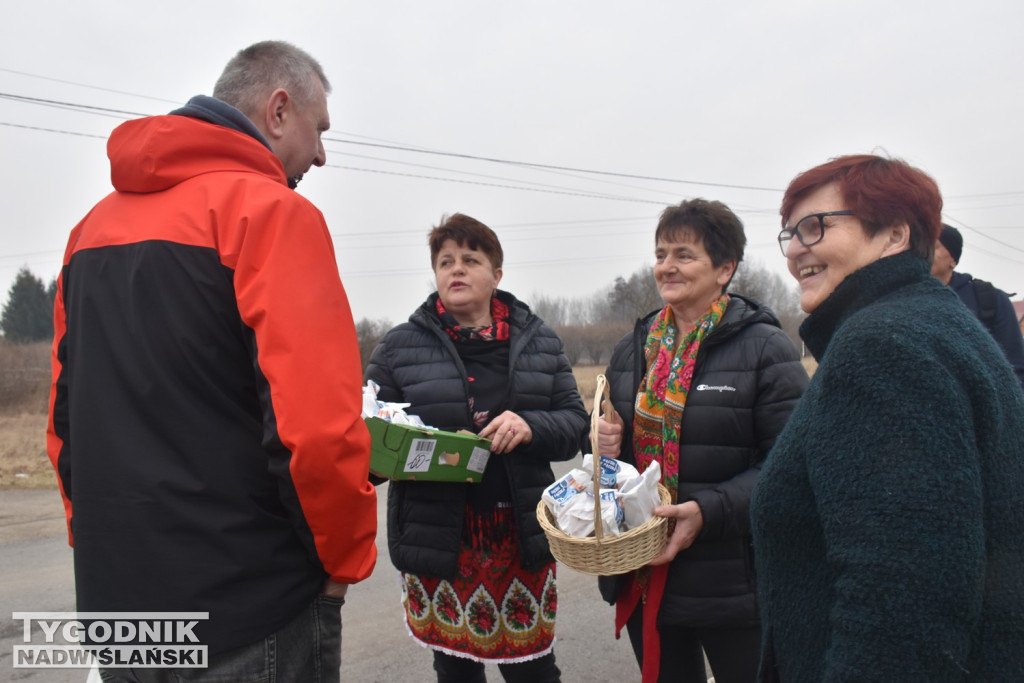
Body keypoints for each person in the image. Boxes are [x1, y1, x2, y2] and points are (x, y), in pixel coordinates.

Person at [46, 41, 377, 682]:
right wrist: (343, 564)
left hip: (122, 617)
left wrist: (98, 550)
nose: (322, 154)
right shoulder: (273, 215)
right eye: (321, 130)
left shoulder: (88, 233)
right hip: (251, 612)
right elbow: (315, 433)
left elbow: (66, 431)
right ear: (279, 110)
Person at [752, 154, 1024, 681]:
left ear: (895, 234)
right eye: (790, 233)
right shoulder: (932, 322)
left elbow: (900, 600)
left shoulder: (880, 348)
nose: (796, 251)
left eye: (816, 226)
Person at [364, 213, 587, 683]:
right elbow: (367, 442)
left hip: (519, 538)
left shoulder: (539, 342)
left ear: (497, 275)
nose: (456, 270)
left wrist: (530, 425)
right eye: (446, 262)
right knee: (455, 671)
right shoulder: (399, 347)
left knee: (533, 671)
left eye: (470, 259)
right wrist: (385, 449)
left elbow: (575, 426)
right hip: (440, 539)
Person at [593, 199, 809, 683]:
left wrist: (709, 511)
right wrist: (608, 448)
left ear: (724, 269)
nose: (666, 266)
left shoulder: (764, 347)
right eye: (661, 253)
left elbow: (792, 466)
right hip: (645, 567)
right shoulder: (634, 348)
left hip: (732, 578)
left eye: (684, 255)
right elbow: (619, 461)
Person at [931, 223, 1024, 390]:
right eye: (918, 247)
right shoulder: (898, 299)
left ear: (953, 259)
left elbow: (1015, 365)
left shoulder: (989, 299)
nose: (923, 253)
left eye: (934, 246)